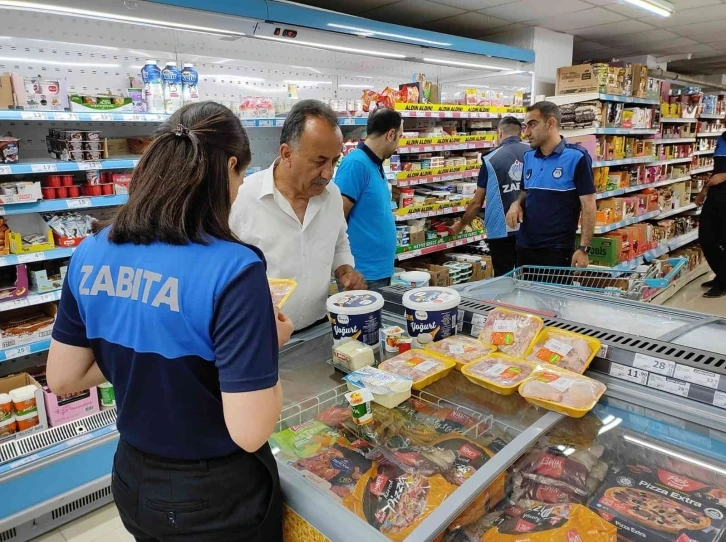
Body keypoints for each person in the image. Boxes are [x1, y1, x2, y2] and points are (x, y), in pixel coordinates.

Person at [46, 102, 293, 542]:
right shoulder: (234, 268)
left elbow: (64, 378)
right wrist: (261, 345)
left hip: (131, 477)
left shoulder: (91, 250)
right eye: (239, 178)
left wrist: (160, 334)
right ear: (231, 166)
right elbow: (251, 432)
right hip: (214, 497)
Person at [230, 100, 366, 331]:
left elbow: (339, 242)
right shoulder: (241, 197)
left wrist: (345, 270)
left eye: (334, 161)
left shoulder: (331, 195)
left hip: (319, 328)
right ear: (287, 153)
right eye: (319, 161)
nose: (328, 173)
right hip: (261, 334)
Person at [506, 101, 596, 268]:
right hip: (524, 246)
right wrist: (516, 204)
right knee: (524, 294)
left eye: (532, 124)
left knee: (553, 295)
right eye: (525, 126)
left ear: (551, 123)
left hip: (557, 250)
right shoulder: (528, 157)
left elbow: (588, 205)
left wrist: (584, 248)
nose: (526, 132)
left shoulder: (577, 157)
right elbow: (526, 193)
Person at [334, 107, 402, 289]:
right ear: (391, 134)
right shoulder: (356, 164)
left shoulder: (375, 164)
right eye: (399, 137)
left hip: (379, 272)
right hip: (362, 276)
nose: (398, 144)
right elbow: (335, 219)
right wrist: (346, 272)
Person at [453, 116, 528, 276]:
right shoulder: (534, 153)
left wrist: (461, 225)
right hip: (529, 227)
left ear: (499, 132)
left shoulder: (490, 158)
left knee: (504, 278)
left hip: (500, 229)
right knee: (527, 276)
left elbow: (476, 203)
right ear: (521, 133)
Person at [695, 131, 726, 298]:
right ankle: (721, 275)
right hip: (715, 196)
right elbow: (717, 171)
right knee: (706, 238)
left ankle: (722, 282)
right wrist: (704, 191)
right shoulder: (722, 138)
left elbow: (722, 174)